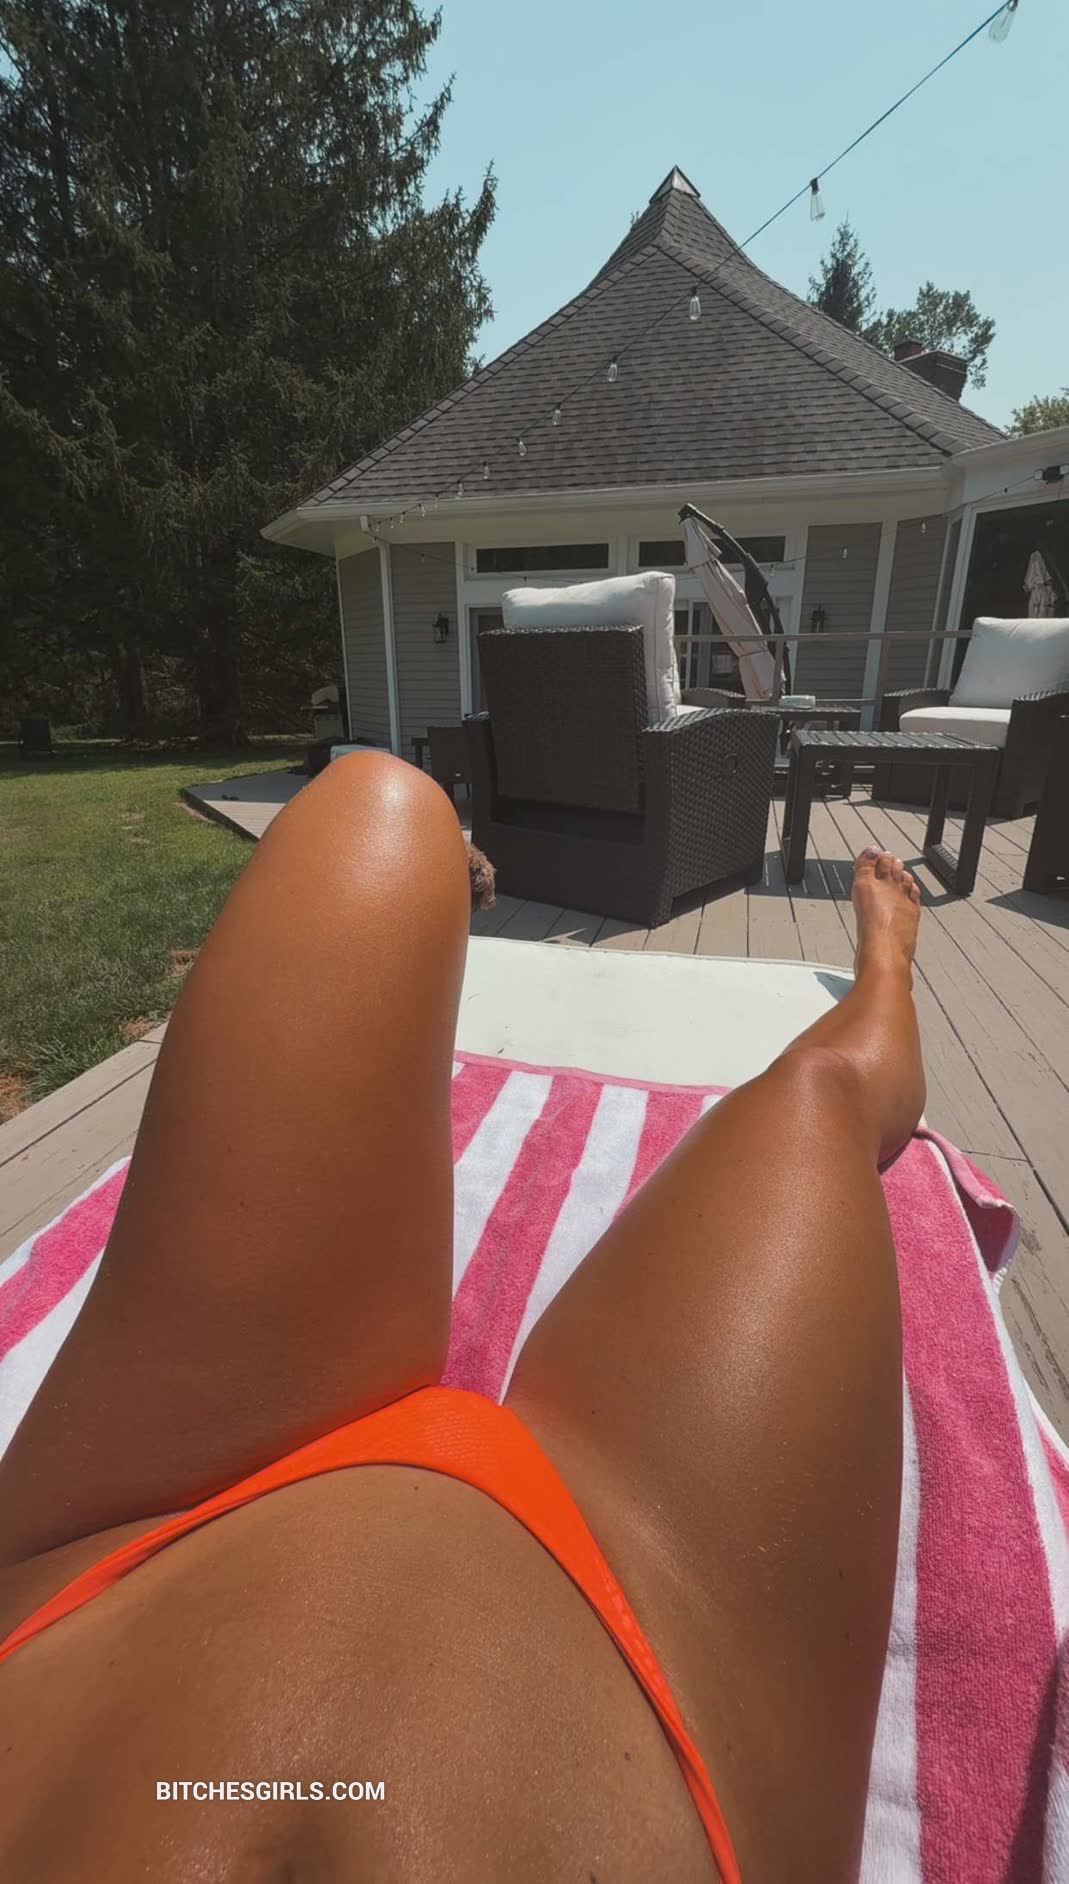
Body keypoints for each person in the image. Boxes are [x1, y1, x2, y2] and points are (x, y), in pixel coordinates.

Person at [0, 751, 923, 1883]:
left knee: (378, 804)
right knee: (821, 1096)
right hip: (658, 1675)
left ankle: (443, 865)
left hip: (113, 1559)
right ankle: (885, 975)